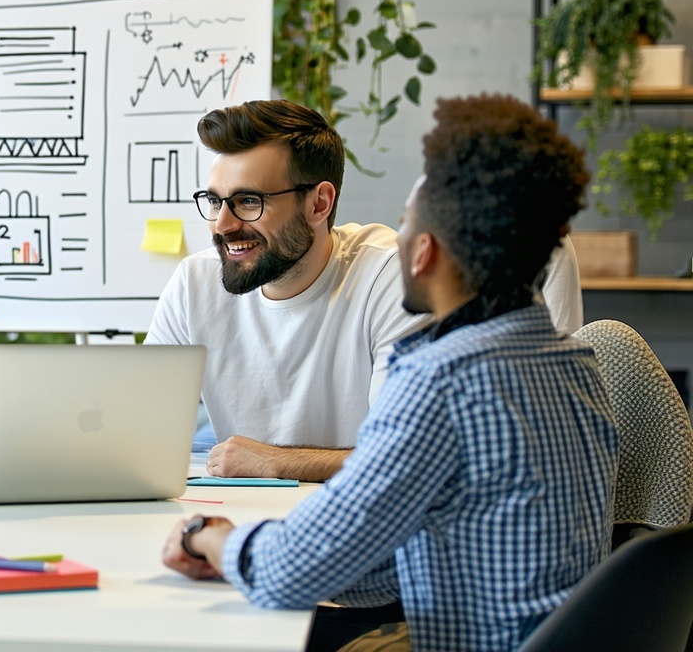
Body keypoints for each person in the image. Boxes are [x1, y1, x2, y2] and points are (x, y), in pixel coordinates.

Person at [161, 94, 618, 652]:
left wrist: (211, 538)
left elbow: (291, 573)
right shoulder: (576, 365)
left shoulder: (442, 382)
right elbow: (396, 541)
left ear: (423, 253)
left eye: (404, 227)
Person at [145, 99, 583, 481]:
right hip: (248, 519)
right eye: (215, 201)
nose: (222, 225)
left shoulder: (397, 277)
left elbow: (412, 461)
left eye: (248, 202)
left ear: (319, 203)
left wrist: (281, 462)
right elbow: (137, 434)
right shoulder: (194, 284)